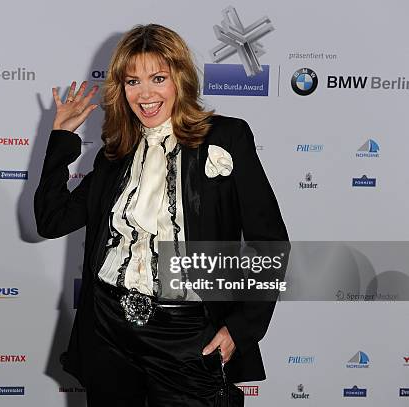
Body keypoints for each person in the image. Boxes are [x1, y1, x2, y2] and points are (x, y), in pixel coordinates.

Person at [35, 24, 288, 407]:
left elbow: (269, 241)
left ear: (180, 80)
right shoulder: (114, 154)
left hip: (187, 331)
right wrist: (61, 138)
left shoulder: (227, 138)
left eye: (158, 78)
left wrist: (240, 327)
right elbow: (51, 221)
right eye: (133, 81)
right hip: (108, 325)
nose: (145, 94)